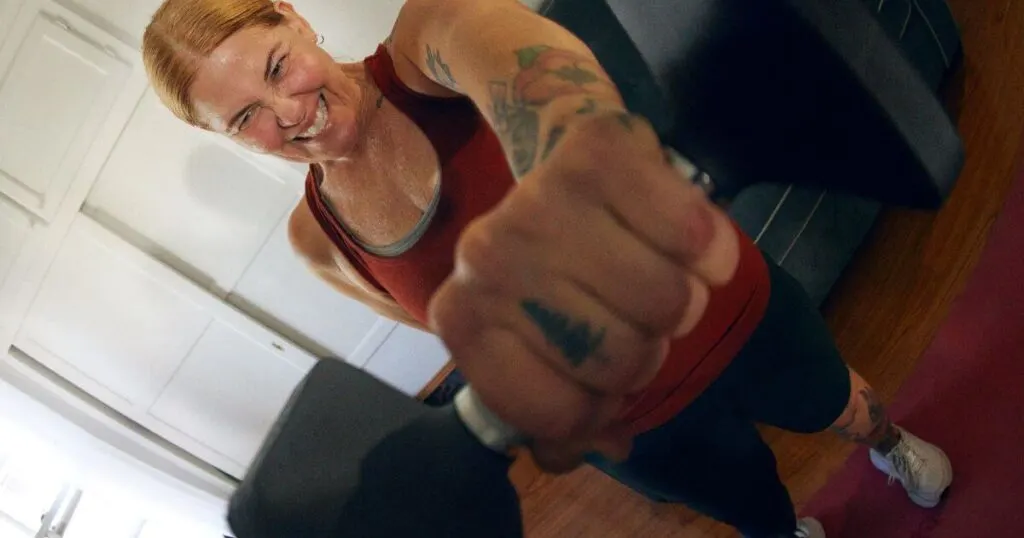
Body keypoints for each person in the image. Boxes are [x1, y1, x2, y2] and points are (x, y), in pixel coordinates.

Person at [141, 1, 953, 536]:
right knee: (753, 510)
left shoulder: (426, 38)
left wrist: (574, 162)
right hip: (629, 425)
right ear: (227, 136)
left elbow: (517, 64)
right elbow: (450, 325)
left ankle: (887, 445)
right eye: (245, 116)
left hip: (719, 305)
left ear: (294, 17)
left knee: (838, 403)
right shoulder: (317, 239)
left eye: (277, 66)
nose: (287, 113)